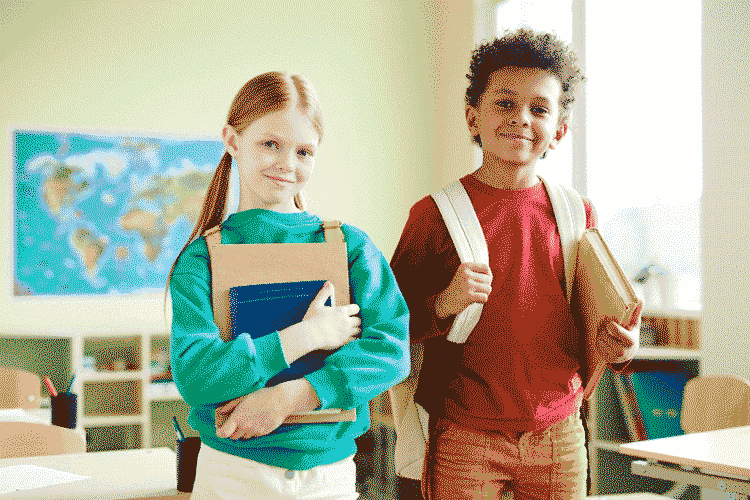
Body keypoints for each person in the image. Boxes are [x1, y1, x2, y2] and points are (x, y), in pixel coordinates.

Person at [389, 28, 640, 500]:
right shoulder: (434, 214)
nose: (521, 119)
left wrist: (621, 346)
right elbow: (389, 328)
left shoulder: (577, 213)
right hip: (464, 434)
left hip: (561, 433)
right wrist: (444, 302)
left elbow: (593, 321)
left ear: (559, 131)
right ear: (473, 118)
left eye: (539, 108)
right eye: (505, 104)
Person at [167, 71, 409, 500]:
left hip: (330, 474)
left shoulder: (350, 246)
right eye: (270, 144)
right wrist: (306, 335)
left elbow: (391, 349)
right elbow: (197, 377)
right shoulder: (201, 259)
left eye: (303, 151)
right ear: (232, 140)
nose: (286, 164)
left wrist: (292, 396)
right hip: (234, 472)